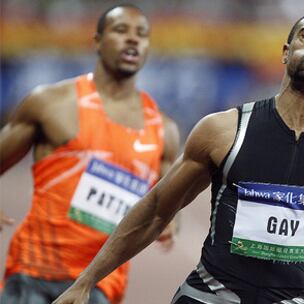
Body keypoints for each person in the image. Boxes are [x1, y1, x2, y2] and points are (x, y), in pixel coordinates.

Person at [52, 10, 304, 304]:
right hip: (208, 297)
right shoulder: (224, 131)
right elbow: (155, 211)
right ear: (285, 52)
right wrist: (86, 281)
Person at [0, 4, 180, 304]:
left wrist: (171, 223)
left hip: (100, 284)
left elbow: (167, 204)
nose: (133, 40)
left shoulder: (164, 130)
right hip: (34, 270)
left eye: (142, 34)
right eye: (121, 31)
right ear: (97, 41)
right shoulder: (51, 103)